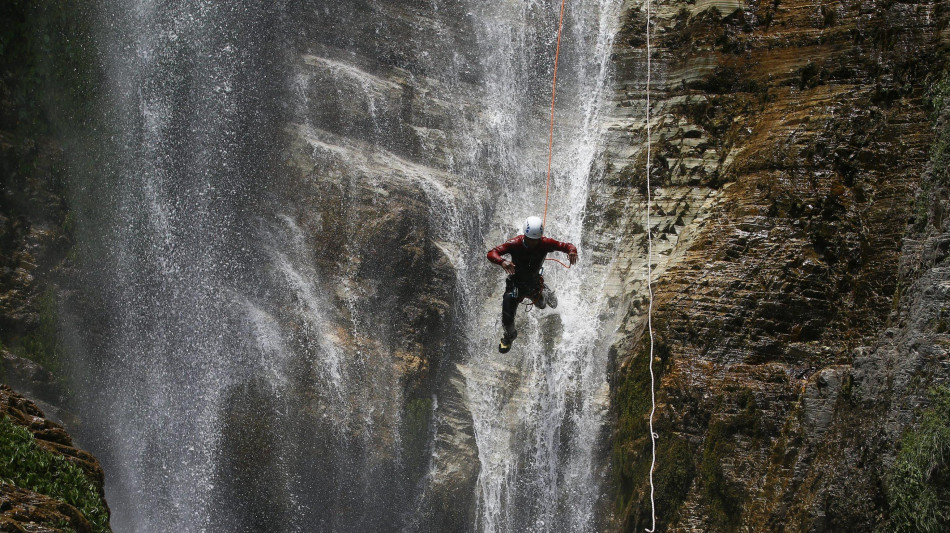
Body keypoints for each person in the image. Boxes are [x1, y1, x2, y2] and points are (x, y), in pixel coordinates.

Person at [487, 216, 578, 353]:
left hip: (534, 285)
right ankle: (509, 337)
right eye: (530, 240)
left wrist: (572, 251)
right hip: (515, 285)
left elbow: (566, 246)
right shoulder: (514, 243)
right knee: (507, 319)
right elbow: (492, 253)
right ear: (524, 235)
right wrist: (502, 261)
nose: (533, 243)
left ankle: (546, 292)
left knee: (542, 305)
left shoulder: (545, 243)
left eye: (536, 240)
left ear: (540, 237)